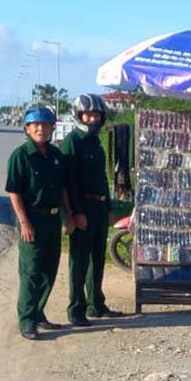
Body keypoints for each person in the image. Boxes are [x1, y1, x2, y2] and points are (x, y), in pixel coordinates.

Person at [5, 104, 75, 340]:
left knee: (49, 270)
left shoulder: (56, 156)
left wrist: (69, 215)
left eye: (45, 125)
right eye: (36, 125)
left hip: (53, 219)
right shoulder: (20, 156)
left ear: (52, 129)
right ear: (27, 129)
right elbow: (14, 192)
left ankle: (38, 313)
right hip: (32, 218)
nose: (41, 129)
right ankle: (26, 321)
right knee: (31, 271)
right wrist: (24, 222)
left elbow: (64, 188)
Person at [61, 93, 124, 326]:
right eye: (89, 114)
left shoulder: (96, 143)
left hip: (98, 206)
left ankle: (96, 304)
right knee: (79, 261)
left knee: (98, 259)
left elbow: (102, 178)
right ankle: (76, 308)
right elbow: (69, 183)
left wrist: (108, 208)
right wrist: (76, 212)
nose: (93, 118)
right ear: (79, 115)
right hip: (82, 206)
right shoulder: (73, 141)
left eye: (97, 114)